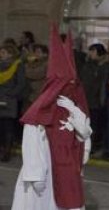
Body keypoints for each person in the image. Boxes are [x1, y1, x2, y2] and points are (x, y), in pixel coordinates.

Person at [11, 28, 91, 210]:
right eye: (67, 84)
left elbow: (84, 135)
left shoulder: (73, 107)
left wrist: (75, 113)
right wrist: (35, 174)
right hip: (43, 173)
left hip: (67, 171)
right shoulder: (39, 113)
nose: (71, 89)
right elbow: (32, 144)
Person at [78, 44, 108, 153]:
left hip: (96, 101)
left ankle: (93, 145)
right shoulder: (88, 66)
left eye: (93, 51)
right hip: (87, 99)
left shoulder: (103, 67)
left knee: (94, 125)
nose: (91, 54)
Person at [0, 45, 25, 161]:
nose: (1, 54)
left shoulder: (17, 65)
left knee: (8, 126)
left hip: (9, 100)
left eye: (4, 52)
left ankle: (7, 152)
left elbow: (20, 84)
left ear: (10, 54)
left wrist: (10, 94)